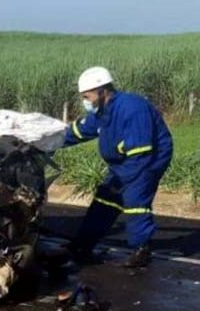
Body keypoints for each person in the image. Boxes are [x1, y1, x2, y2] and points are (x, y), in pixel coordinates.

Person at [63, 66, 173, 268]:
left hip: (147, 159)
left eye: (87, 97)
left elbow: (141, 152)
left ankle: (141, 249)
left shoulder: (132, 108)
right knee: (105, 199)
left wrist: (124, 181)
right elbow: (81, 131)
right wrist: (50, 141)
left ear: (102, 91)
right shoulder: (102, 111)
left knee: (134, 200)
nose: (85, 102)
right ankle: (83, 244)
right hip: (122, 162)